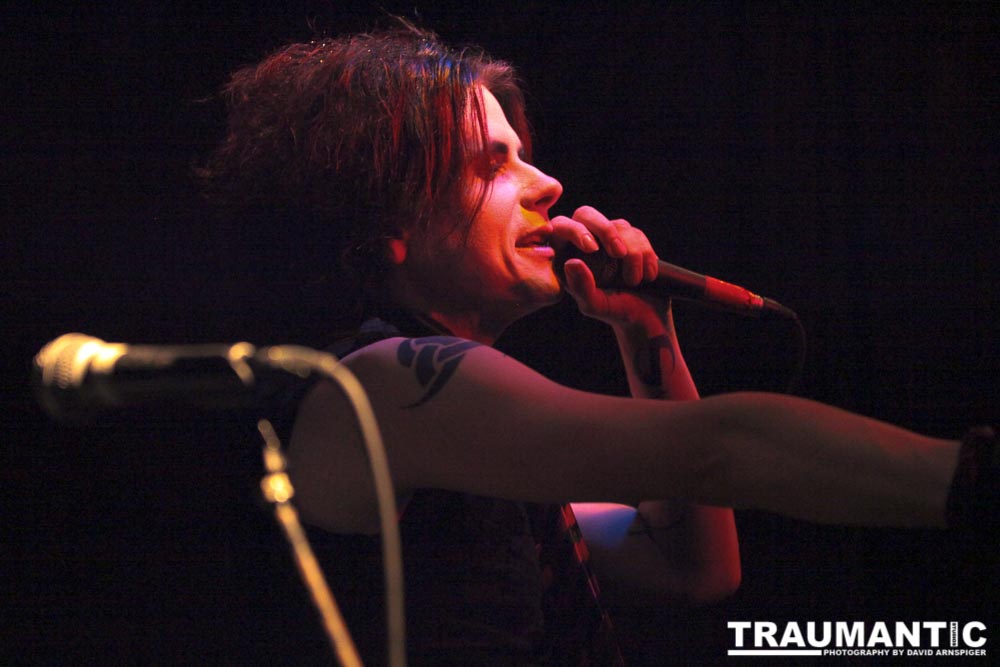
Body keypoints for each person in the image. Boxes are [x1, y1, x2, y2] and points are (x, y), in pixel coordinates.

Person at [199, 21, 994, 665]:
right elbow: (720, 447)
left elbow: (694, 565)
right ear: (387, 225)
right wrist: (967, 477)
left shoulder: (460, 445)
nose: (546, 184)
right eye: (492, 165)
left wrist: (644, 327)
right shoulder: (384, 385)